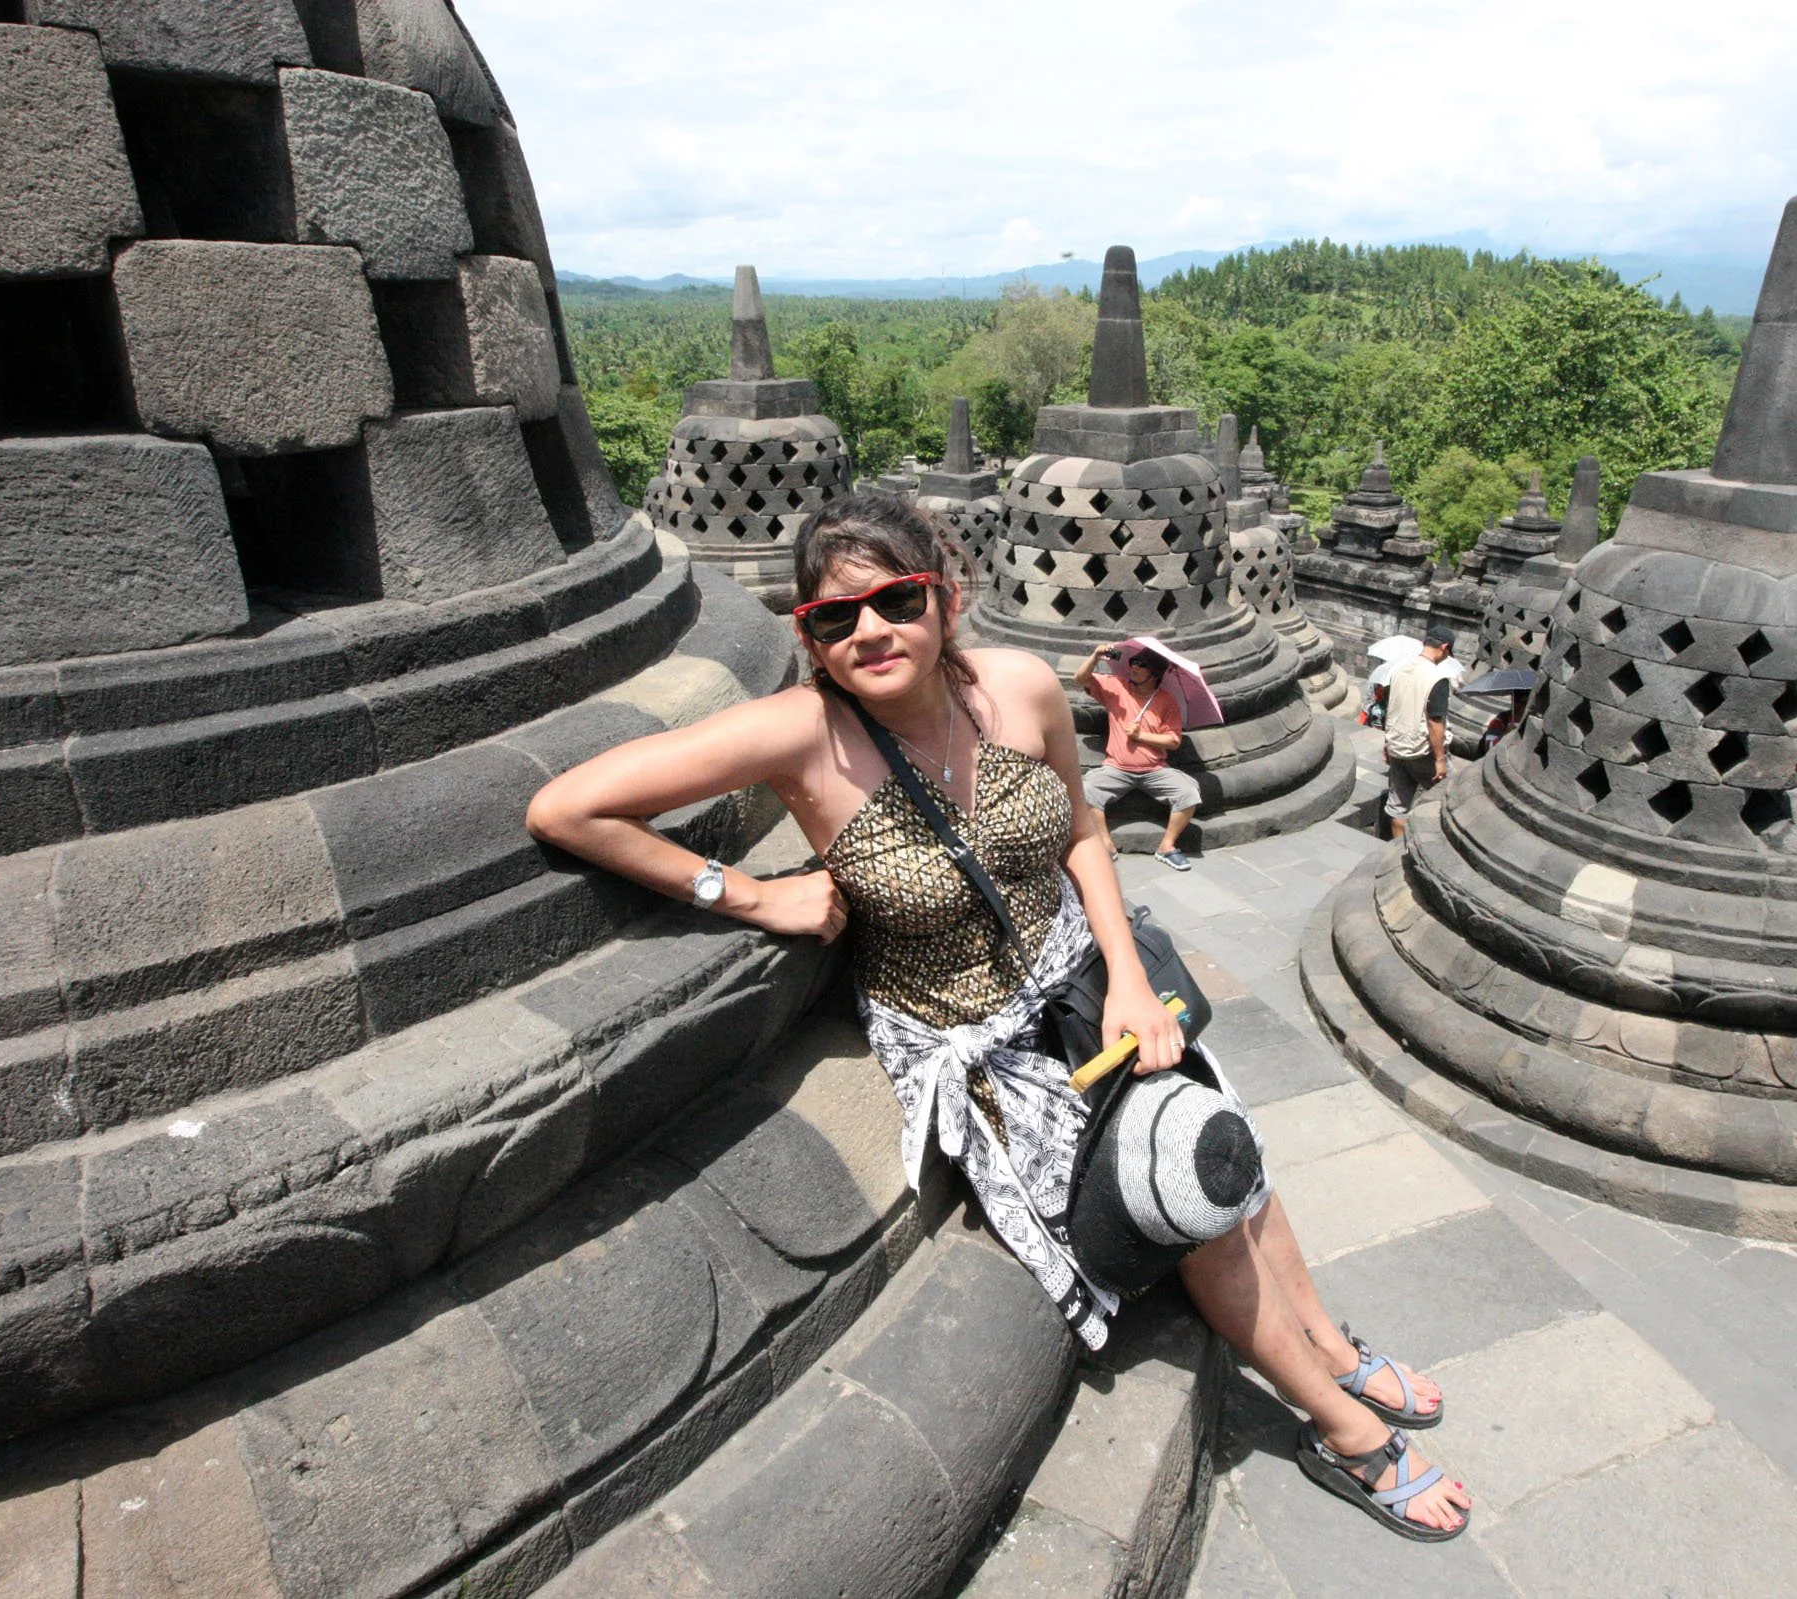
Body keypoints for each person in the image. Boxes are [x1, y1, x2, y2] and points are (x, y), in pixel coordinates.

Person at [527, 493, 1470, 1540]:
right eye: (834, 620)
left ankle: (1334, 1348)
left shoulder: (1017, 688)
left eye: (894, 601)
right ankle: (1341, 1426)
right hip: (977, 1041)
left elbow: (1080, 832)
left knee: (1225, 1141)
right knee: (1187, 1194)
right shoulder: (803, 735)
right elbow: (566, 808)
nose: (869, 633)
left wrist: (1121, 972)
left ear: (944, 596)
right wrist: (749, 895)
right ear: (809, 638)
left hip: (1083, 978)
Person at [1073, 641, 1200, 871]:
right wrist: (1095, 656)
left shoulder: (1166, 701)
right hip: (1116, 768)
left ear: (1154, 674)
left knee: (1188, 794)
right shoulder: (1117, 688)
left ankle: (1167, 847)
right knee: (1086, 790)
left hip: (1154, 770)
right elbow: (1081, 679)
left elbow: (1173, 741)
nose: (1134, 667)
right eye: (1133, 661)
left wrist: (1141, 736)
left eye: (1142, 665)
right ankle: (1106, 844)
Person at [1381, 625, 1455, 840]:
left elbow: (1394, 709)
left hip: (1397, 748)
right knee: (1451, 797)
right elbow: (1434, 721)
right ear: (1444, 647)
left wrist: (1387, 744)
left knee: (1399, 808)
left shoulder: (1399, 670)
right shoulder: (1436, 677)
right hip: (1424, 752)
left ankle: (1394, 852)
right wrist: (1440, 759)